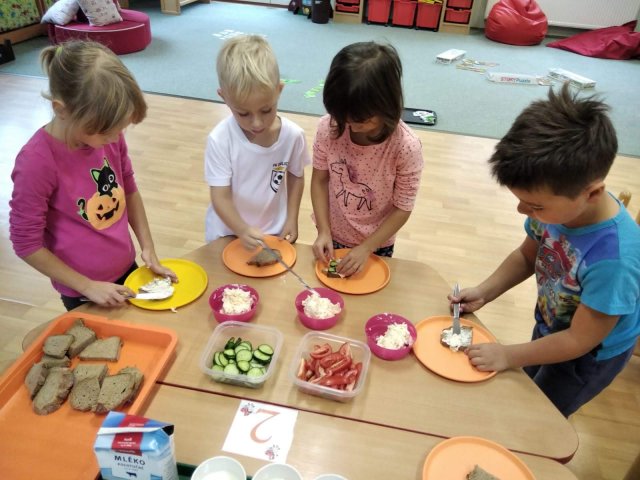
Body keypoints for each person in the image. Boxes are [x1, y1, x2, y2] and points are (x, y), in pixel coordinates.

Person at [454, 84, 640, 417]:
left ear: (592, 194)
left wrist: (508, 355)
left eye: (534, 206)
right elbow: (526, 256)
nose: (522, 211)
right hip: (552, 326)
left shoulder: (615, 260)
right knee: (530, 389)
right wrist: (485, 291)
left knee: (542, 416)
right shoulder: (555, 210)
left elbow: (578, 340)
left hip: (587, 357)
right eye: (520, 201)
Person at [9, 41, 176, 311]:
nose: (114, 138)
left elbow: (129, 189)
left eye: (119, 130)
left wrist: (148, 247)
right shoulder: (36, 162)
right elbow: (25, 244)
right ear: (61, 110)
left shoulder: (109, 136)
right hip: (83, 291)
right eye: (105, 131)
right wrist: (87, 286)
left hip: (127, 268)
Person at [310, 41, 424, 278]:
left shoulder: (406, 146)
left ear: (387, 104)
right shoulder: (329, 127)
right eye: (342, 117)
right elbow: (319, 180)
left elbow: (403, 207)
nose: (350, 126)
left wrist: (366, 248)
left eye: (360, 120)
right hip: (332, 232)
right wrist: (323, 230)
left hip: (377, 242)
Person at [204, 35, 310, 249]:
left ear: (279, 90)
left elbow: (296, 176)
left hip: (274, 232)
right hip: (227, 232)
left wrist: (292, 218)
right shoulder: (220, 140)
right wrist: (242, 230)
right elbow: (220, 197)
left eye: (266, 110)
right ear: (224, 98)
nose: (257, 123)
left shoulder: (293, 135)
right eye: (243, 113)